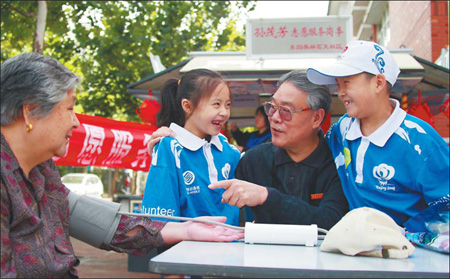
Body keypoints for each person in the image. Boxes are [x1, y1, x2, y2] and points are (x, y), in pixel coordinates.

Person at [0, 53, 244, 278]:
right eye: (70, 108)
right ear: (30, 112)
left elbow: (72, 209)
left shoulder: (42, 169)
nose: (75, 122)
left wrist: (185, 231)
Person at [147, 70, 348, 230]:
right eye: (272, 107)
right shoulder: (252, 160)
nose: (275, 118)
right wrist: (172, 147)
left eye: (286, 111)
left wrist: (267, 196)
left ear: (316, 118)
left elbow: (332, 222)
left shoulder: (340, 163)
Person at [305, 40, 450, 232]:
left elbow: (445, 209)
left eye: (347, 82)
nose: (340, 93)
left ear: (378, 83)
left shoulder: (421, 142)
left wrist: (404, 235)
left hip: (409, 255)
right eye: (338, 85)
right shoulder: (341, 130)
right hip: (354, 250)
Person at [141, 69, 241, 227]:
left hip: (232, 247)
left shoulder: (231, 153)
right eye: (216, 104)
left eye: (227, 105)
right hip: (183, 250)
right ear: (187, 105)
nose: (224, 112)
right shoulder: (169, 147)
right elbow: (158, 222)